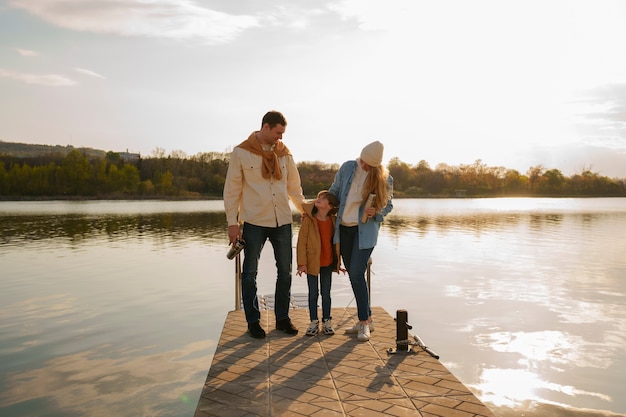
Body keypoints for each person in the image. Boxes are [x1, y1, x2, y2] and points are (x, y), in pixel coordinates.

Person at [223, 110, 306, 338]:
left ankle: (282, 319)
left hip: (283, 221)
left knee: (286, 273)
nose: (281, 138)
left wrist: (304, 209)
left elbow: (293, 187)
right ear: (266, 127)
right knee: (249, 273)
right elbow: (232, 190)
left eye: (283, 133)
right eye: (278, 132)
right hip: (254, 221)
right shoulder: (241, 152)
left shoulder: (285, 154)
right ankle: (253, 322)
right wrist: (233, 223)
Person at [328, 141, 393, 342]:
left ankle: (363, 322)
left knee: (356, 273)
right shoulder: (348, 167)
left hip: (365, 233)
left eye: (369, 165)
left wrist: (377, 211)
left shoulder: (384, 178)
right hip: (344, 230)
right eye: (363, 162)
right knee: (354, 276)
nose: (364, 167)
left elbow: (388, 205)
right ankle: (368, 319)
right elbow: (334, 192)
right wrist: (315, 210)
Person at [296, 190, 342, 336]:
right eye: (318, 197)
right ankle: (313, 322)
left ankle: (327, 321)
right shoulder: (309, 220)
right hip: (312, 263)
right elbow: (301, 242)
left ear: (329, 206)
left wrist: (338, 263)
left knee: (326, 293)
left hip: (327, 262)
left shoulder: (334, 221)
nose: (318, 199)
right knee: (313, 294)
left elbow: (337, 244)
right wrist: (301, 263)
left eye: (323, 199)